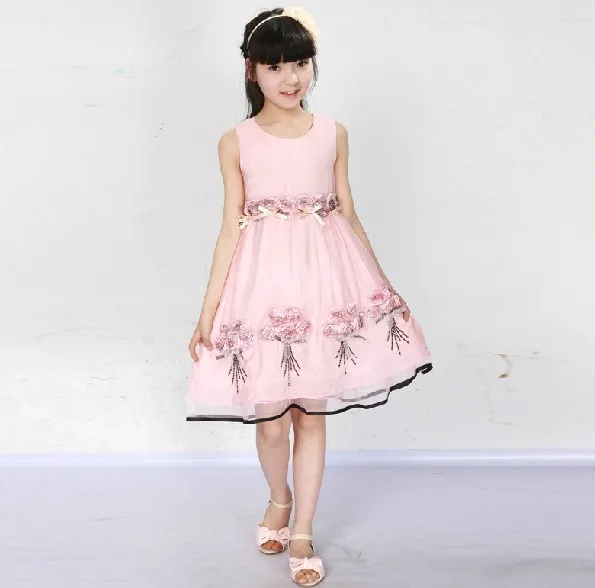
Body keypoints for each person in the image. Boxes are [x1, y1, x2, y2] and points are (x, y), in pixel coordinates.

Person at [185, 6, 433, 586]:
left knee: (312, 416)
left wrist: (386, 288)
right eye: (275, 66)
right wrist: (207, 312)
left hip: (325, 282)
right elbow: (229, 229)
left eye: (299, 63)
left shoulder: (332, 133)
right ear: (252, 71)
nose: (290, 77)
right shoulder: (236, 141)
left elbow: (348, 212)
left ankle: (303, 531)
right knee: (273, 420)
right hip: (262, 285)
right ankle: (279, 498)